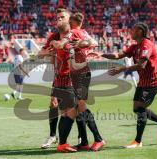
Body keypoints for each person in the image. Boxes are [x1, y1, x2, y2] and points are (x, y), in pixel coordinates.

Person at [102, 22, 157, 148]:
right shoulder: (135, 46)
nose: (130, 32)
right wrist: (100, 54)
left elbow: (141, 65)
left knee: (140, 110)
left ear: (140, 31)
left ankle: (138, 141)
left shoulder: (147, 45)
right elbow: (118, 55)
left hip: (153, 81)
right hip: (143, 81)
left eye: (133, 30)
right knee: (137, 109)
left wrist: (121, 69)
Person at [51, 12, 105, 151]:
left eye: (64, 19)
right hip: (79, 73)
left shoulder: (73, 32)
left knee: (80, 108)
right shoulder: (83, 32)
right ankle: (84, 142)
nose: (63, 21)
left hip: (79, 74)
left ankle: (99, 139)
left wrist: (57, 44)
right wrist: (82, 44)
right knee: (77, 109)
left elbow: (64, 42)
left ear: (72, 21)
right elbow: (94, 42)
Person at [38, 8, 78, 153]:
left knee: (76, 108)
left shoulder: (75, 33)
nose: (59, 20)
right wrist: (49, 51)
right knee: (55, 105)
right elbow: (40, 53)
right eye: (57, 18)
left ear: (70, 20)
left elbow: (90, 43)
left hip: (76, 77)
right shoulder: (53, 36)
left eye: (62, 17)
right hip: (59, 77)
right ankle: (54, 136)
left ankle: (80, 138)